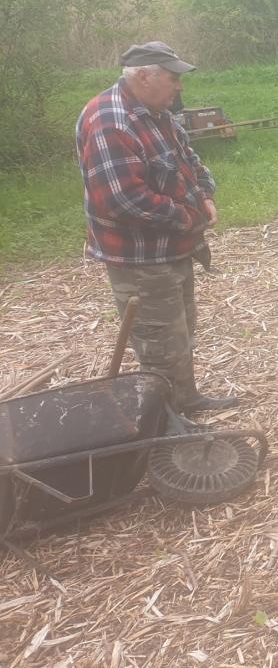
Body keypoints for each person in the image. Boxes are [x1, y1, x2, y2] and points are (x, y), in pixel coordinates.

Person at [75, 42, 237, 413]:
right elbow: (122, 199)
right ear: (143, 76)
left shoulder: (157, 112)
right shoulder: (110, 121)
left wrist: (205, 194)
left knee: (179, 333)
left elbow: (188, 159)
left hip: (172, 248)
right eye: (172, 78)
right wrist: (189, 217)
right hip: (140, 258)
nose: (179, 86)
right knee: (158, 345)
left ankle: (186, 400)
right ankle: (166, 420)